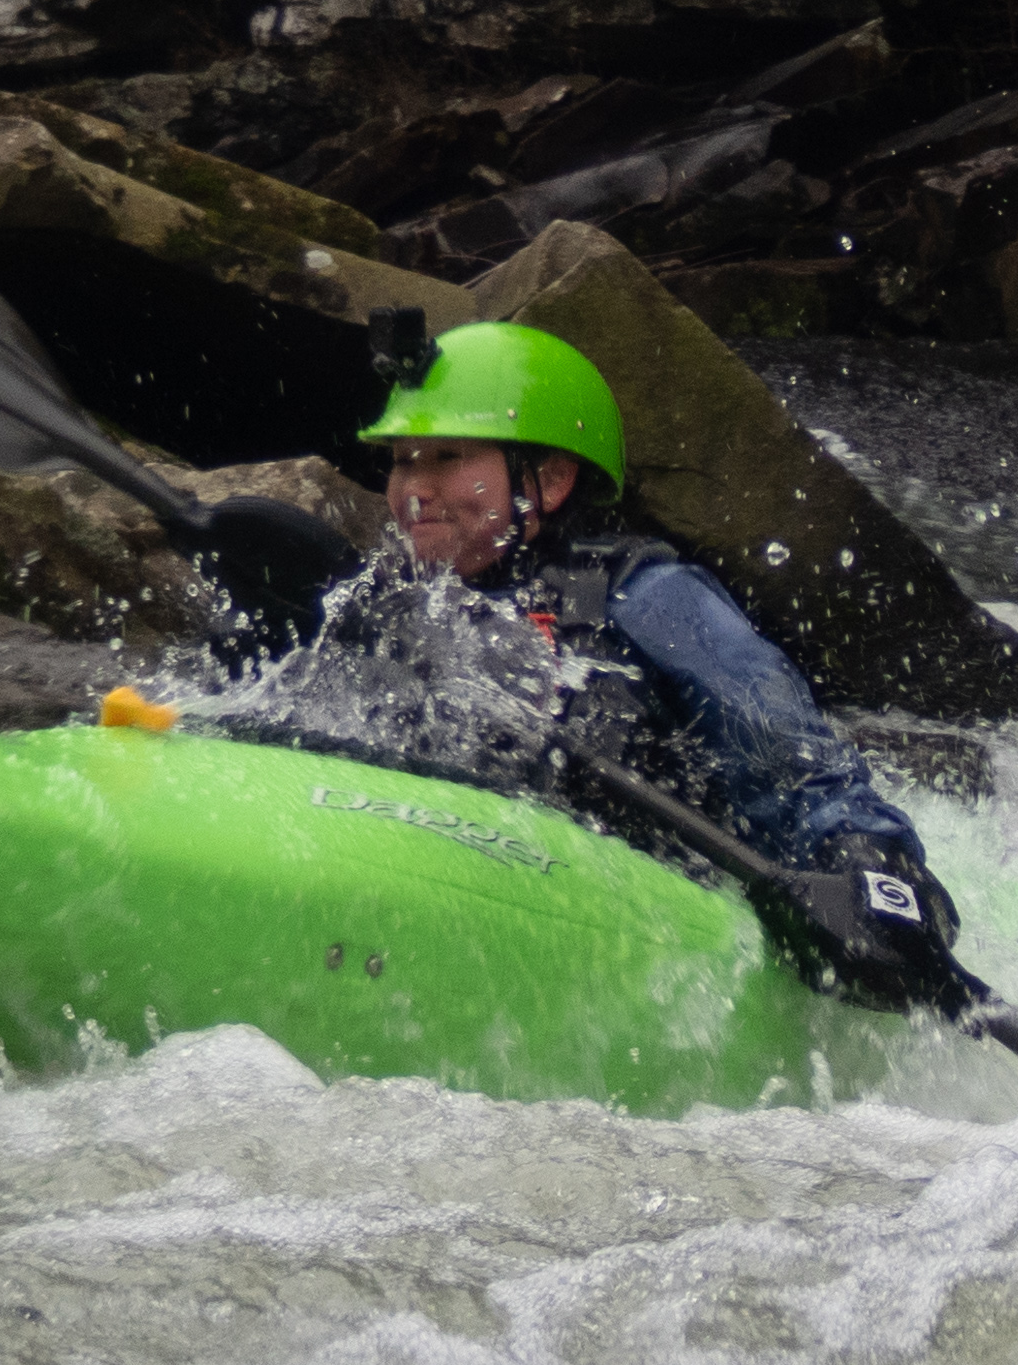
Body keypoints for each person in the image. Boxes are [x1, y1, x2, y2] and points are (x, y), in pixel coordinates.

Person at [178, 318, 968, 1014]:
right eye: (402, 461)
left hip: (634, 924)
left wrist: (873, 874)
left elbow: (801, 772)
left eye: (446, 458)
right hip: (435, 878)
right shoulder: (385, 606)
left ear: (550, 479)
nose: (414, 491)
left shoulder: (650, 598)